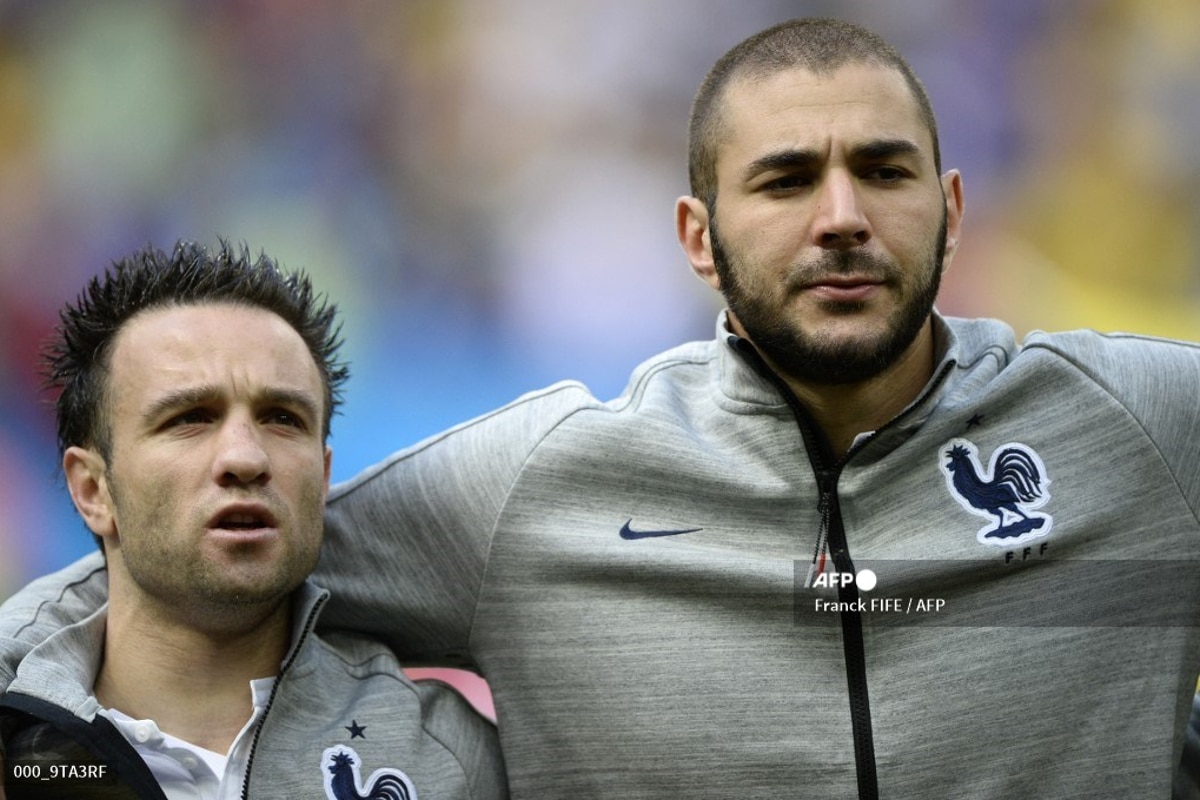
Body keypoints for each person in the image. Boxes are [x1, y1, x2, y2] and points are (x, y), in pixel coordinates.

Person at [3, 17, 1200, 799]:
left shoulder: (1138, 420)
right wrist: (42, 730)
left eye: (882, 171)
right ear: (697, 236)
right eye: (784, 179)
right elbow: (190, 554)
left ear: (949, 206)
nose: (840, 215)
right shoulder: (539, 484)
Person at [0, 242, 507, 799]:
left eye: (282, 419)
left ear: (321, 475)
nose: (246, 457)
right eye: (190, 417)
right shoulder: (17, 758)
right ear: (92, 489)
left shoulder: (449, 757)